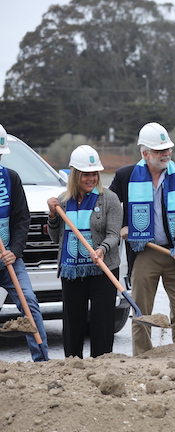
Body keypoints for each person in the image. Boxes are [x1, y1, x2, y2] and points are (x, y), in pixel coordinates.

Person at [109, 122, 175, 356]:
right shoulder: (125, 176)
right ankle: (142, 358)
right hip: (144, 251)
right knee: (141, 312)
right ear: (144, 153)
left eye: (167, 149)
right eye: (159, 151)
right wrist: (122, 226)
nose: (166, 154)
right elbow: (107, 206)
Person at [47, 145, 122, 358]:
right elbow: (56, 238)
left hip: (103, 269)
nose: (91, 178)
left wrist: (101, 249)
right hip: (72, 270)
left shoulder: (110, 199)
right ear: (75, 175)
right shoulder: (63, 201)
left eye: (94, 174)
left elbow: (114, 234)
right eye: (86, 174)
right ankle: (73, 364)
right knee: (73, 321)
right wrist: (52, 216)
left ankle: (102, 363)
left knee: (102, 321)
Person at [0, 123, 49, 361]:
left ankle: (42, 360)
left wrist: (15, 251)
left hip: (8, 258)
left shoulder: (11, 178)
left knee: (29, 303)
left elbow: (22, 219)